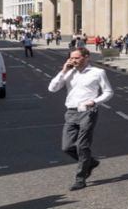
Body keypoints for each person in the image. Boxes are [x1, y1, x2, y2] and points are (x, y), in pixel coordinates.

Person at [47, 47, 113, 192]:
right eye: (71, 58)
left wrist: (95, 102)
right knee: (67, 147)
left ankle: (80, 179)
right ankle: (91, 162)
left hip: (88, 112)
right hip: (71, 113)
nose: (73, 61)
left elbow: (108, 92)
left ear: (86, 57)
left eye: (76, 58)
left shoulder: (98, 72)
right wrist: (63, 70)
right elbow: (52, 88)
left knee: (82, 146)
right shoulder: (69, 73)